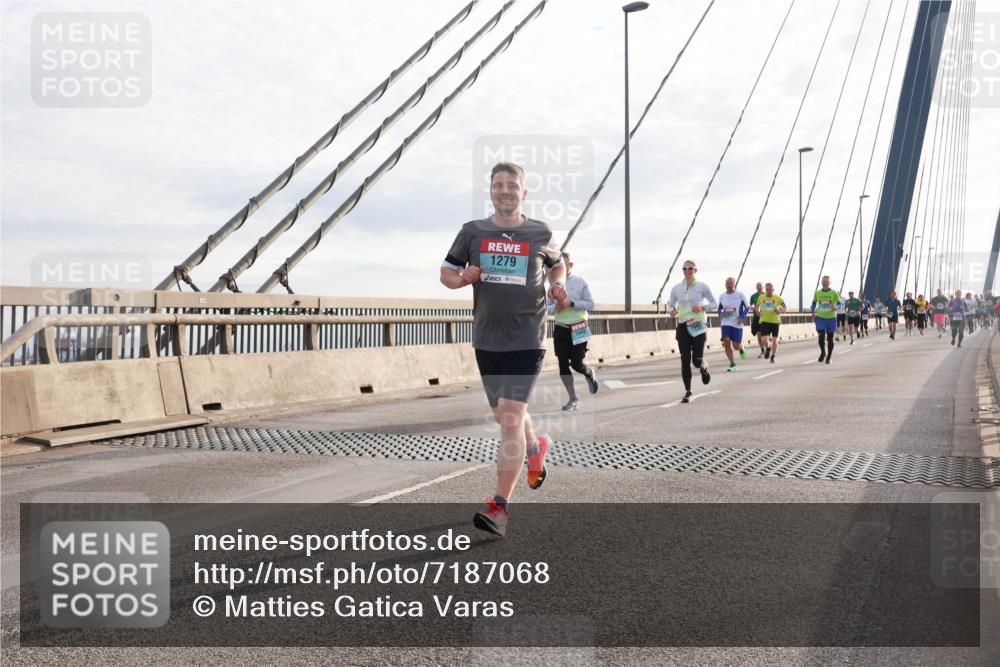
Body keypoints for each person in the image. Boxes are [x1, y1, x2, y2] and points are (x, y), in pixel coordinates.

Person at [440, 162, 565, 537]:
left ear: (524, 192)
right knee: (506, 416)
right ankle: (535, 449)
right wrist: (462, 278)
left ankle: (499, 508)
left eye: (513, 185)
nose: (506, 190)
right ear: (491, 191)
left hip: (528, 338)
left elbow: (558, 267)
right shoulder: (472, 232)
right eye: (499, 185)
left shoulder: (540, 232)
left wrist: (558, 285)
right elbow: (446, 272)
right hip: (487, 340)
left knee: (509, 418)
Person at [546, 252, 599, 411]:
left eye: (564, 264)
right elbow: (545, 309)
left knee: (576, 363)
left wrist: (571, 303)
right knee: (562, 365)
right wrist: (555, 307)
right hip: (561, 328)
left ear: (570, 266)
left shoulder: (580, 282)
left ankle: (589, 373)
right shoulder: (552, 286)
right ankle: (573, 398)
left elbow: (591, 305)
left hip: (579, 327)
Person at [667, 260, 718, 403]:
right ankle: (688, 392)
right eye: (685, 269)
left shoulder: (702, 287)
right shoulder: (676, 288)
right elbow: (670, 305)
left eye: (690, 268)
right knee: (685, 360)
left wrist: (702, 308)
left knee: (696, 361)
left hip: (698, 324)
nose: (687, 271)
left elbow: (714, 304)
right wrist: (671, 311)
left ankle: (704, 366)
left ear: (696, 270)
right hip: (683, 325)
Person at [718, 277, 749, 372]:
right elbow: (719, 308)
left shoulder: (740, 295)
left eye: (731, 283)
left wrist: (742, 317)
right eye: (727, 283)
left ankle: (741, 349)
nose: (729, 285)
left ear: (734, 284)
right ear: (725, 285)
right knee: (726, 341)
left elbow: (747, 307)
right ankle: (732, 364)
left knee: (735, 345)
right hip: (726, 322)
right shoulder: (722, 296)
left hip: (736, 322)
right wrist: (720, 314)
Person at [754, 282, 786, 364]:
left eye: (770, 289)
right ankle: (768, 348)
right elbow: (757, 306)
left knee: (774, 340)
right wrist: (757, 311)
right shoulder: (761, 297)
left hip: (775, 321)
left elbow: (784, 307)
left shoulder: (777, 297)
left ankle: (773, 356)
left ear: (773, 290)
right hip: (764, 321)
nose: (768, 291)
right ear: (765, 289)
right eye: (767, 289)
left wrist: (780, 311)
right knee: (764, 339)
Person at [811, 275, 840, 364]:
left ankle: (829, 357)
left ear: (829, 283)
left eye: (827, 281)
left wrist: (837, 307)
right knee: (821, 338)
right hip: (820, 318)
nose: (825, 283)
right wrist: (813, 313)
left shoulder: (834, 293)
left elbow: (839, 304)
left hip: (831, 318)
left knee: (830, 339)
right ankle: (823, 352)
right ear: (821, 282)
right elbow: (813, 304)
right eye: (823, 281)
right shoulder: (817, 293)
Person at [749, 282, 766, 357]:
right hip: (756, 317)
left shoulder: (766, 295)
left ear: (763, 287)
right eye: (757, 286)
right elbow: (750, 306)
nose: (759, 287)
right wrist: (753, 308)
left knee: (764, 336)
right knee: (759, 336)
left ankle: (767, 348)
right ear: (756, 287)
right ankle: (762, 350)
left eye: (760, 286)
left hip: (765, 318)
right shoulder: (753, 296)